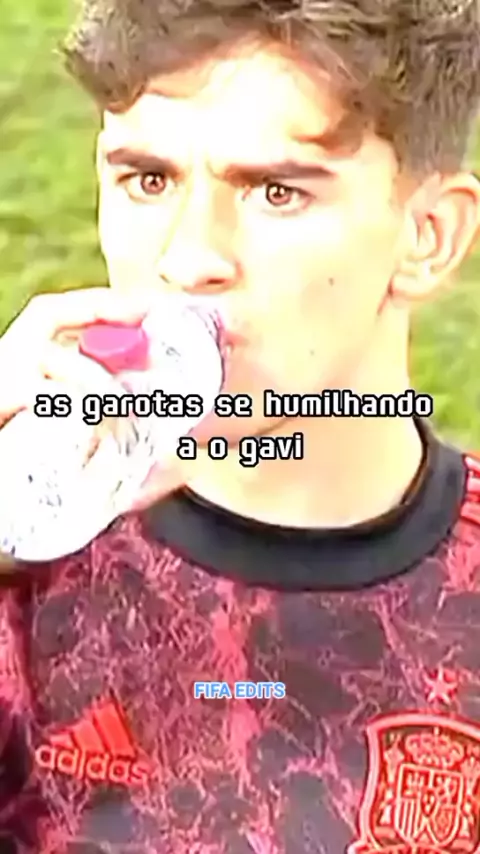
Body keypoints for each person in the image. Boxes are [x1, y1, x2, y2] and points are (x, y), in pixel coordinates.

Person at [1, 0, 480, 851]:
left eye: (276, 192)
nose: (189, 259)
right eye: (149, 180)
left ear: (427, 237)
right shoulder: (26, 558)